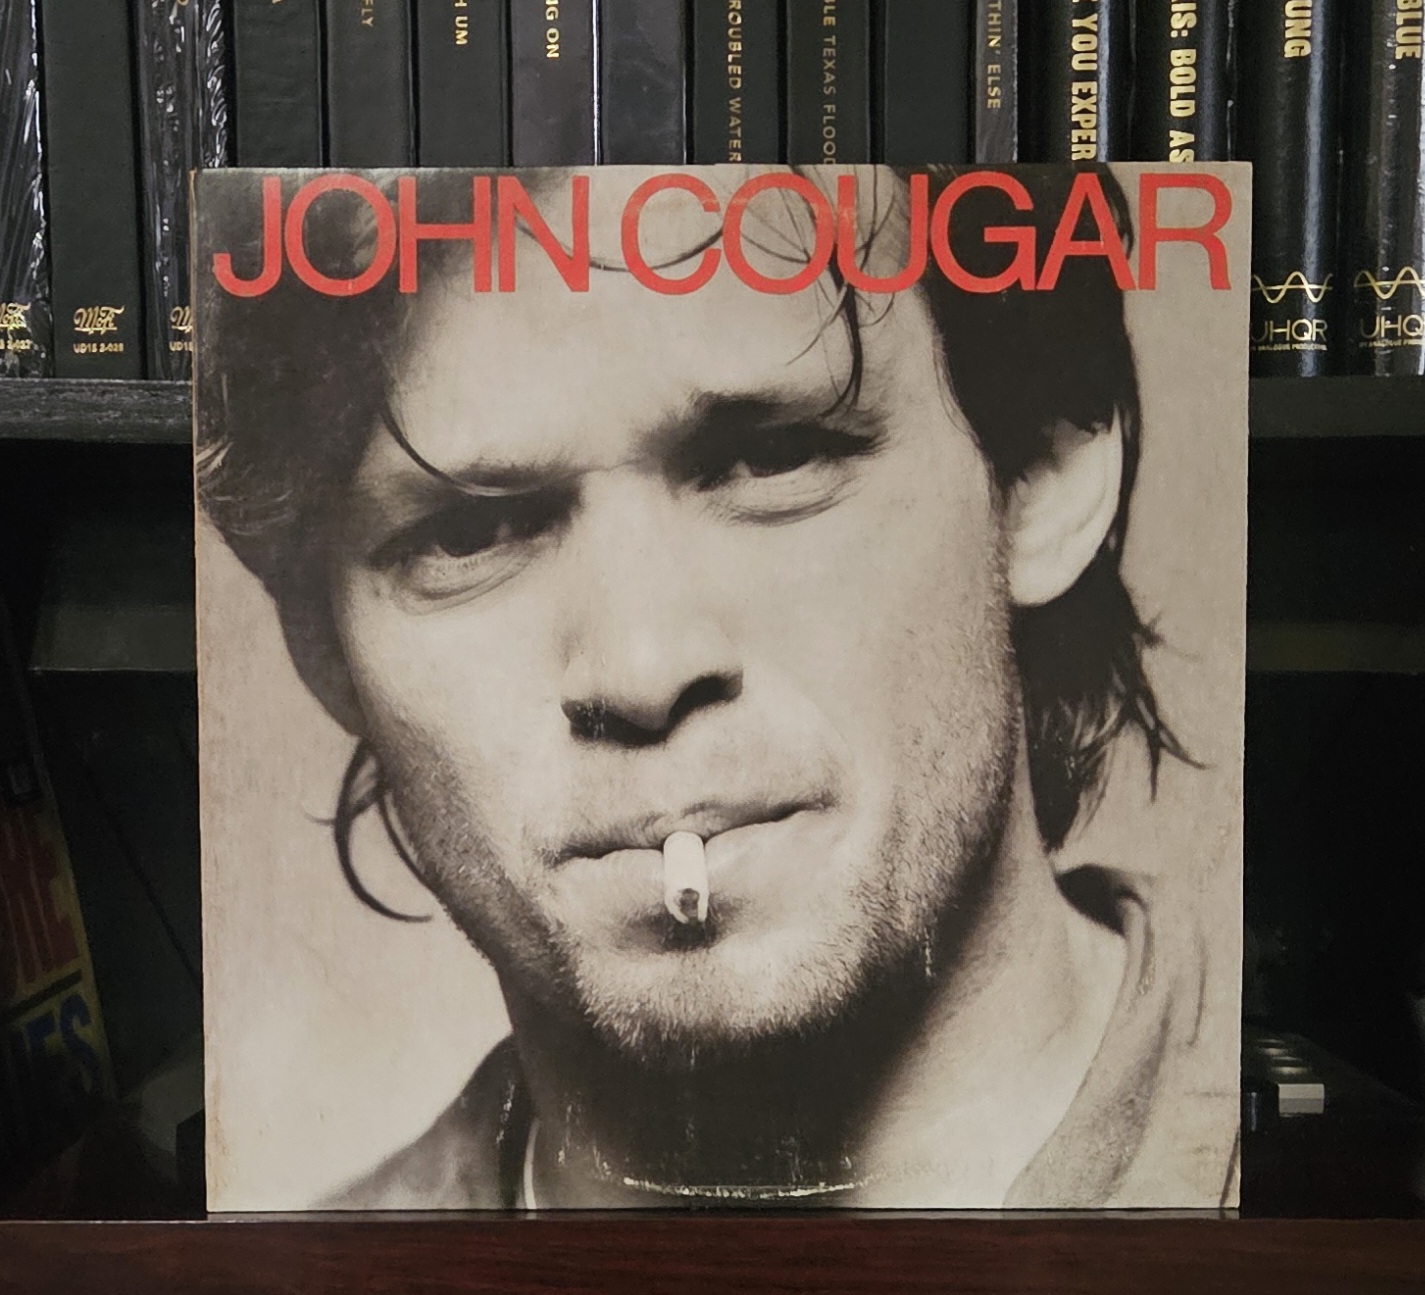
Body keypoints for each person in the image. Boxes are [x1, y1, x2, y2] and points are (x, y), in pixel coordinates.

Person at [194, 163, 1240, 1209]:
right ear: (322, 646)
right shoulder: (281, 1279)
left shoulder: (1315, 1189)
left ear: (1044, 472)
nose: (643, 668)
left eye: (772, 458)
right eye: (469, 532)